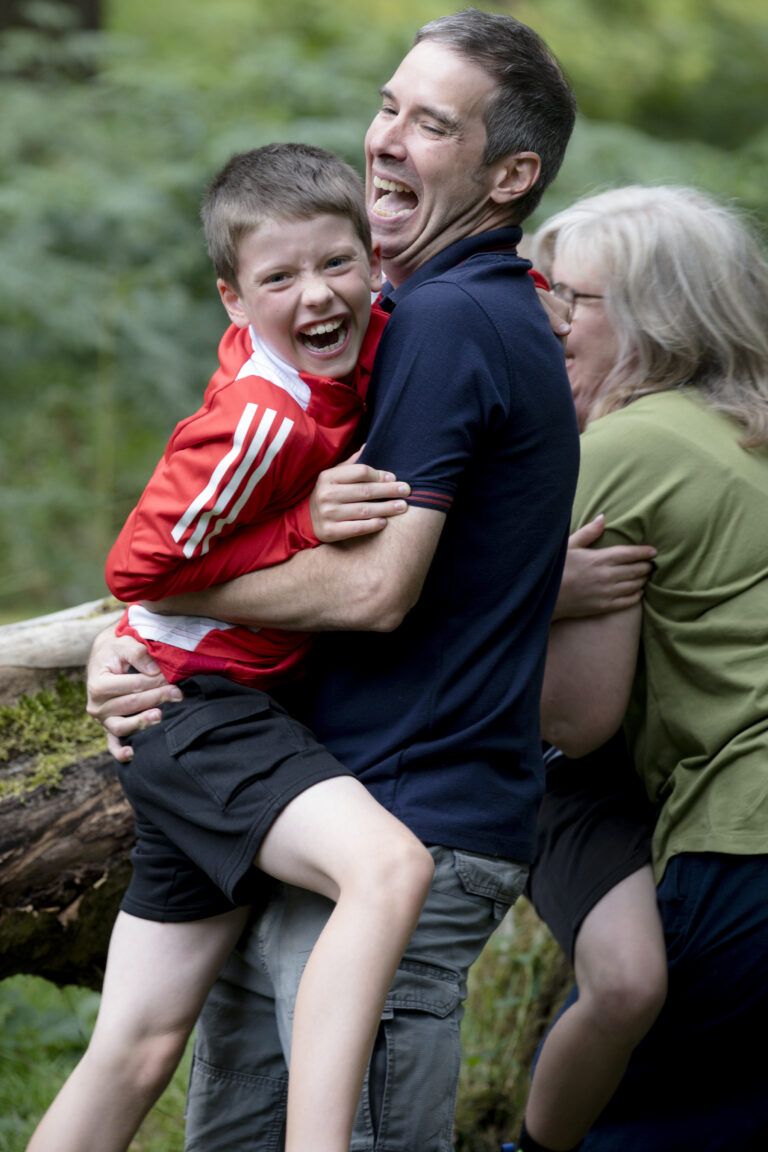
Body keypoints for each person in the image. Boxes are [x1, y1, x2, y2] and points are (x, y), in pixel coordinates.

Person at [85, 10, 580, 1151]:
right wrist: (132, 637)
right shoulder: (395, 316)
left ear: (511, 174)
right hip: (310, 804)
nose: (388, 140)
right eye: (388, 105)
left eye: (432, 124)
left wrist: (165, 598)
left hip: (407, 823)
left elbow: (371, 591)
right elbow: (245, 514)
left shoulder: (451, 318)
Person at [26, 143, 436, 1152]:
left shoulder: (385, 333)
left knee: (137, 1042)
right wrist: (304, 527)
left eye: (336, 264)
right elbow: (138, 568)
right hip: (199, 710)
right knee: (388, 868)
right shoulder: (262, 416)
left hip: (218, 710)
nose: (317, 295)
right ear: (233, 299)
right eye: (279, 279)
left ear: (373, 263)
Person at [532, 184, 768, 1150]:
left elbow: (572, 722)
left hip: (740, 850)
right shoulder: (747, 435)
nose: (544, 324)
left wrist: (533, 592)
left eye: (568, 302)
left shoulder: (623, 448)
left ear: (654, 319)